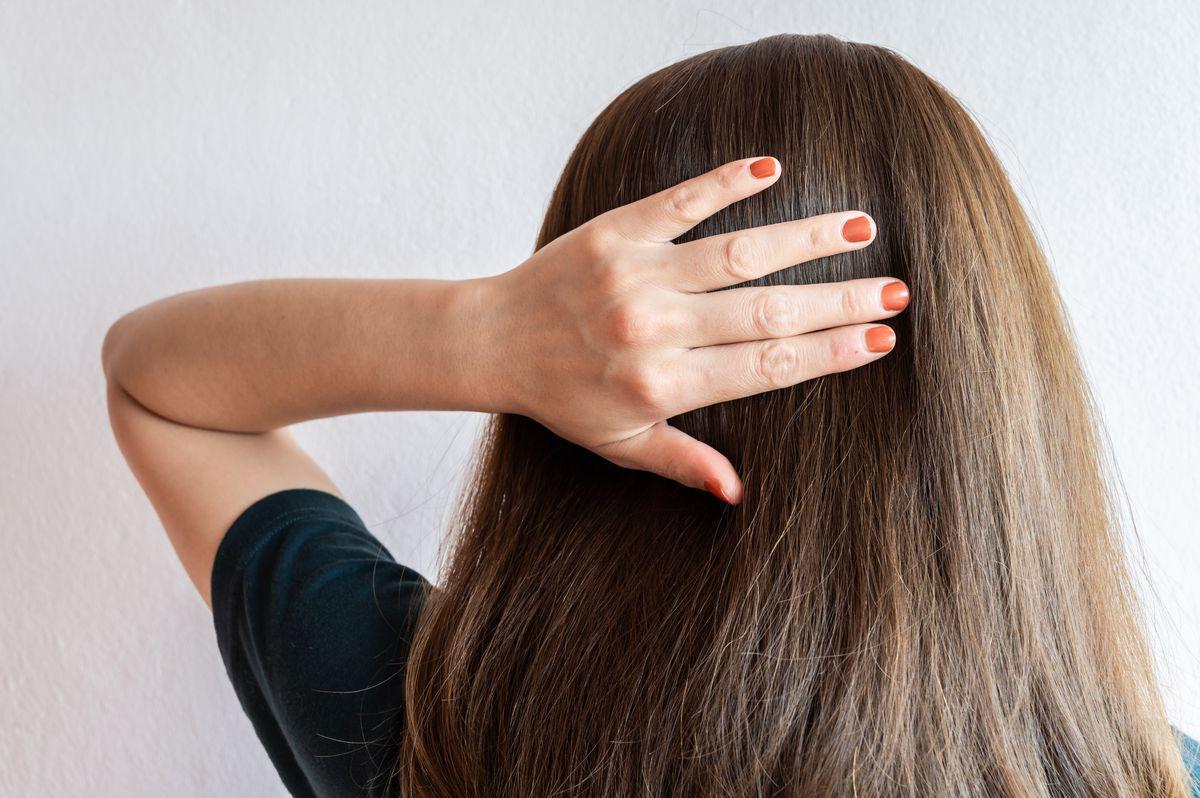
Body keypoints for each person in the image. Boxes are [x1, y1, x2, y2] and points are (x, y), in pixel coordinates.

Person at [102, 33, 1200, 797]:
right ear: (996, 395)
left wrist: (485, 336)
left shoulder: (423, 737)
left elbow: (160, 385)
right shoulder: (1148, 778)